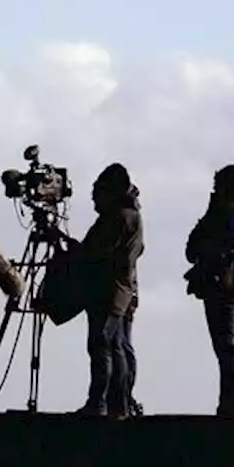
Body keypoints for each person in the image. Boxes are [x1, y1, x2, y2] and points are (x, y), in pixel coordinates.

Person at [70, 163, 144, 419]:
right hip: (123, 291)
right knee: (118, 345)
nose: (93, 199)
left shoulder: (118, 218)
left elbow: (96, 253)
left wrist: (74, 254)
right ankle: (119, 404)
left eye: (97, 193)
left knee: (103, 345)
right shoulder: (130, 215)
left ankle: (102, 403)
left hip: (109, 291)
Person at [184, 165, 234, 416]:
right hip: (227, 285)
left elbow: (223, 250)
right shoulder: (224, 216)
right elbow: (191, 249)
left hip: (230, 286)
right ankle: (229, 405)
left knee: (226, 345)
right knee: (225, 346)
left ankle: (231, 406)